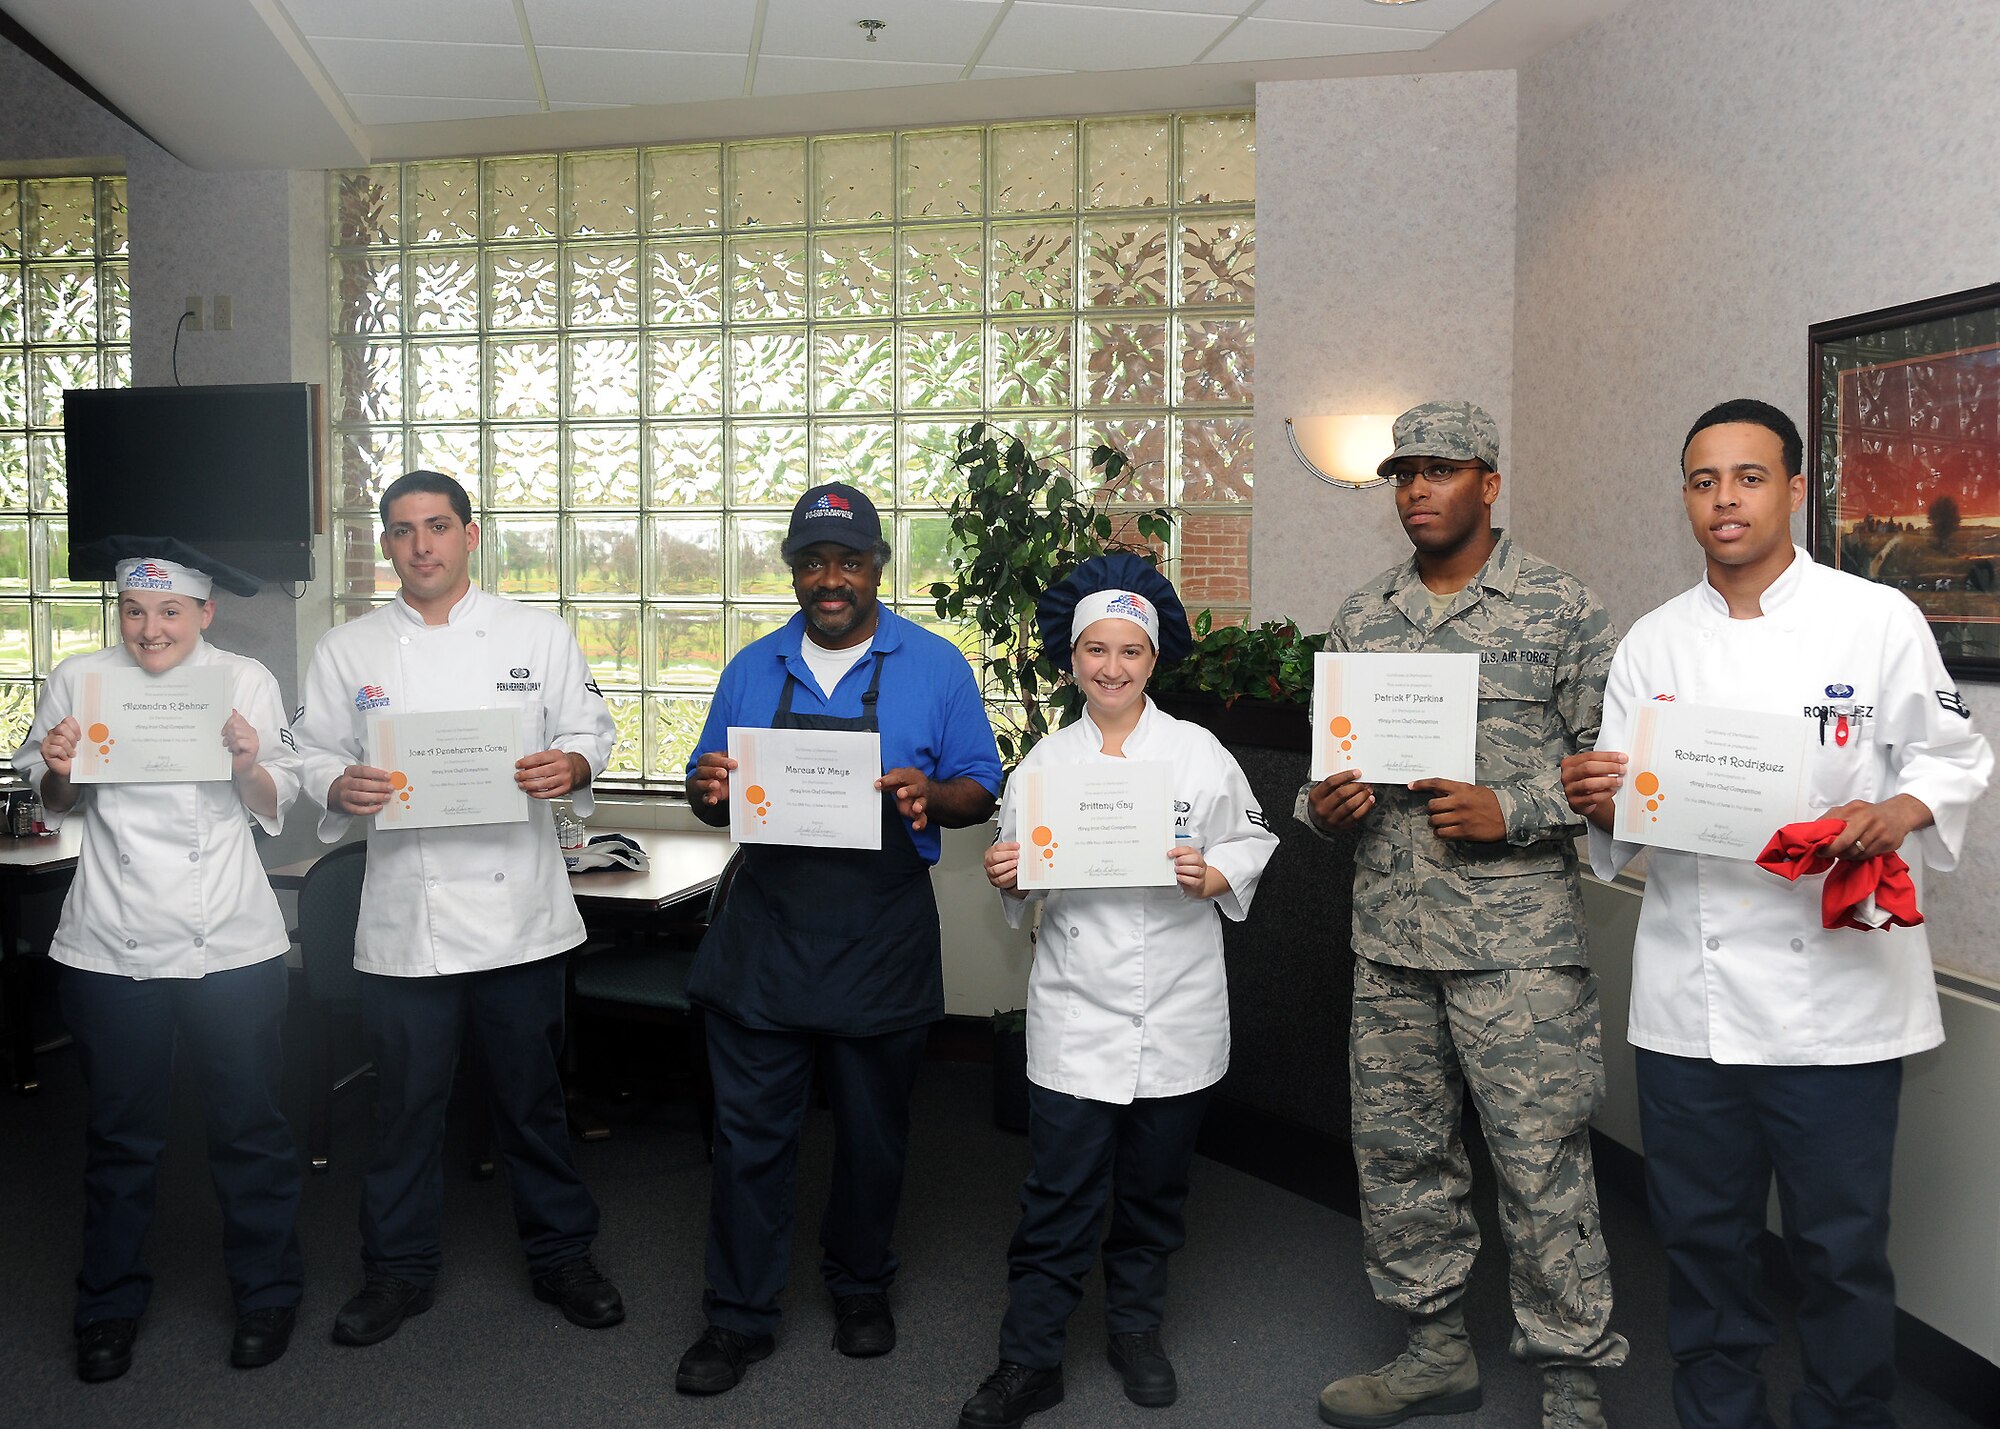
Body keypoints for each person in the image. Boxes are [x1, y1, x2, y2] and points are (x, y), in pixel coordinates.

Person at [1561, 399, 1992, 1428]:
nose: (1723, 499)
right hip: (1689, 997)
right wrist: (1595, 796)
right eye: (1703, 480)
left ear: (1792, 489)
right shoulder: (1651, 643)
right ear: (1684, 497)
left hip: (1835, 995)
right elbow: (1621, 807)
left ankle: (1847, 1415)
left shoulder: (1872, 617)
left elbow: (1952, 753)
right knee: (1702, 1241)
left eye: (1748, 477)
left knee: (1838, 1248)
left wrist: (1897, 807)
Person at [1300, 402, 1628, 1428]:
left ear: (1487, 481)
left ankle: (1571, 1384)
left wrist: (1512, 807)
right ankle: (1432, 1347)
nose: (1414, 491)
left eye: (1437, 470)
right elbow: (1330, 783)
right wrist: (1325, 807)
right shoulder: (1362, 615)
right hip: (1389, 942)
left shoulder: (1560, 606)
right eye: (1401, 474)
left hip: (1515, 949)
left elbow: (1617, 779)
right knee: (1400, 1157)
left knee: (1540, 1166)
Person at [676, 481, 1002, 1395]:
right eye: (813, 562)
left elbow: (982, 785)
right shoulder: (751, 666)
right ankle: (736, 1317)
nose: (831, 579)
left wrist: (928, 796)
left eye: (849, 561)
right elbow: (712, 796)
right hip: (766, 935)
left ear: (876, 569)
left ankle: (861, 1287)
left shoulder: (936, 666)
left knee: (873, 1135)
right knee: (749, 1139)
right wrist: (707, 791)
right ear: (793, 571)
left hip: (881, 932)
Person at [293, 469, 623, 1346]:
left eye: (437, 526)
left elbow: (591, 729)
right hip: (408, 921)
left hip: (519, 918)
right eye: (403, 531)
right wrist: (338, 779)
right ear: (386, 544)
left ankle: (562, 1256)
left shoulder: (535, 632)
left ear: (470, 534)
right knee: (405, 1106)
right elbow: (308, 755)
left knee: (533, 1099)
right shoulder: (348, 649)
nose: (421, 546)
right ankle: (396, 1271)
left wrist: (574, 767)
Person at [956, 556, 1278, 1429]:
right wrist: (1005, 872)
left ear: (1153, 657)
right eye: (1094, 650)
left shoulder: (1197, 753)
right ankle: (1029, 1359)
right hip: (1075, 1016)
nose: (1111, 667)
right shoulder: (1043, 764)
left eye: (1129, 650)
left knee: (1153, 1190)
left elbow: (1252, 837)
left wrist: (1213, 871)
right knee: (1056, 1195)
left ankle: (1136, 1331)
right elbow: (1019, 874)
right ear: (1070, 660)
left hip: (1176, 1011)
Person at [15, 542, 303, 1381]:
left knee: (249, 1126)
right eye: (135, 612)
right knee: (118, 1134)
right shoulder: (79, 677)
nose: (151, 629)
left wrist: (250, 763)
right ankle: (106, 1303)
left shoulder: (245, 678)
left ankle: (267, 1290)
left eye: (171, 611)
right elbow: (53, 796)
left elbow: (279, 798)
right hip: (111, 937)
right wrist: (62, 770)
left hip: (232, 939)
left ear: (204, 613)